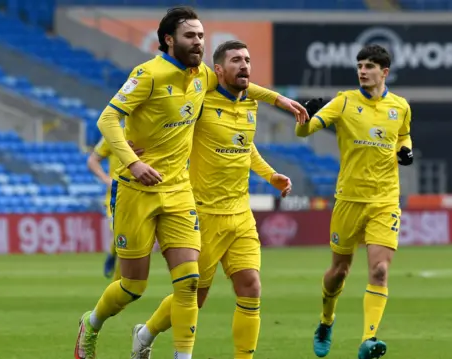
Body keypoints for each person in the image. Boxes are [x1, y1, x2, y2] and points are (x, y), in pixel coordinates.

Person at [73, 6, 307, 359]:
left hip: (179, 190)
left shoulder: (202, 77)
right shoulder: (148, 74)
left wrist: (279, 99)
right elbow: (108, 119)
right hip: (136, 189)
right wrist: (133, 163)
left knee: (189, 283)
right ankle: (91, 323)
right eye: (190, 36)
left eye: (201, 36)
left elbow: (240, 83)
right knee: (132, 286)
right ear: (169, 40)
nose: (198, 42)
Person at [128, 39, 293, 359]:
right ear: (218, 70)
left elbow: (245, 147)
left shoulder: (250, 105)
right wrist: (134, 145)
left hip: (241, 213)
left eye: (247, 59)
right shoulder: (200, 101)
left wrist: (270, 175)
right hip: (203, 214)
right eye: (235, 60)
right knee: (194, 296)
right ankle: (146, 332)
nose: (244, 65)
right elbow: (166, 124)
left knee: (251, 287)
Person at [295, 44, 413, 359]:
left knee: (379, 270)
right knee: (339, 272)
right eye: (360, 65)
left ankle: (367, 341)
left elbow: (403, 134)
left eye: (369, 66)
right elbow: (304, 132)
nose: (362, 71)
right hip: (349, 200)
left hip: (385, 200)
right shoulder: (344, 101)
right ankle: (326, 320)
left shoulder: (400, 106)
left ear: (384, 72)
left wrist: (405, 148)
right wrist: (306, 114)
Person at [87, 134, 144, 280]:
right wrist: (107, 180)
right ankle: (118, 282)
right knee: (122, 235)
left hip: (143, 195)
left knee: (133, 240)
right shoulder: (114, 134)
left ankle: (114, 255)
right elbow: (92, 161)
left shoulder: (150, 131)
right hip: (116, 196)